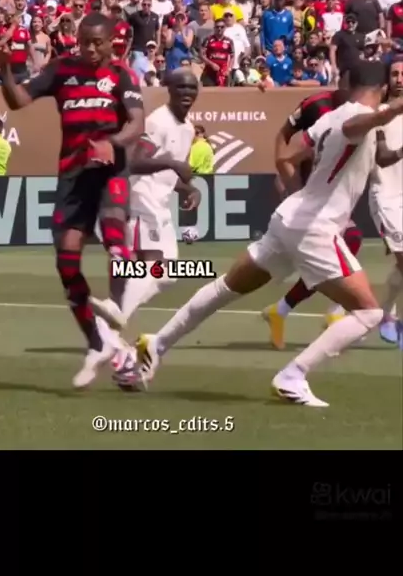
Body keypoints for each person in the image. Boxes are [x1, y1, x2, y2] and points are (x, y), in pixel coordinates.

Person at [131, 60, 403, 407]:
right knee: (369, 313)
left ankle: (157, 343)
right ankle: (293, 376)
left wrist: (299, 194)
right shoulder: (357, 118)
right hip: (316, 228)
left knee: (226, 287)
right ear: (382, 88)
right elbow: (356, 126)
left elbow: (290, 156)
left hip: (290, 219)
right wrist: (391, 111)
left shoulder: (330, 117)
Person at [0, 13, 145, 388]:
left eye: (98, 42)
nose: (90, 49)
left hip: (109, 170)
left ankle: (116, 306)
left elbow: (136, 123)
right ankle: (97, 343)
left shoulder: (122, 75)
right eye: (84, 42)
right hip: (73, 176)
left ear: (111, 42)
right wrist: (5, 69)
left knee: (114, 230)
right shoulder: (61, 70)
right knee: (66, 261)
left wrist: (112, 143)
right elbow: (18, 101)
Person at [91, 68, 199, 346]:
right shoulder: (158, 122)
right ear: (169, 90)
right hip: (142, 200)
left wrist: (188, 189)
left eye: (192, 88)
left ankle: (112, 317)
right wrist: (172, 163)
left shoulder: (188, 127)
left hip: (160, 204)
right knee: (151, 266)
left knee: (167, 275)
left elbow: (167, 172)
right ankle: (111, 325)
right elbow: (135, 162)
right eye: (181, 87)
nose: (187, 93)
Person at [261, 77, 364, 349]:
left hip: (335, 191)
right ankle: (337, 312)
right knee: (349, 240)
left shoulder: (365, 111)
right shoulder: (316, 105)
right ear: (342, 79)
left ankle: (284, 310)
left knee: (344, 243)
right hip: (312, 191)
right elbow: (283, 136)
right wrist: (285, 174)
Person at [368, 57, 403, 343]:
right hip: (386, 196)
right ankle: (388, 315)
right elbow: (382, 157)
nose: (400, 79)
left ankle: (385, 313)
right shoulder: (379, 113)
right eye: (395, 74)